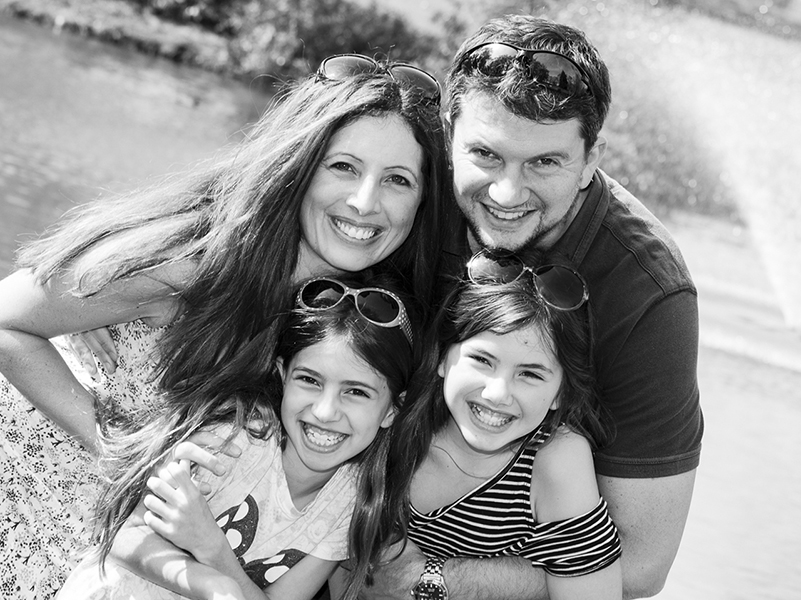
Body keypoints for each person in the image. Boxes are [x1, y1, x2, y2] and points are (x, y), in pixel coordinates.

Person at [0, 54, 448, 599]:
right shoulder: (192, 262)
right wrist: (123, 449)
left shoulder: (365, 314)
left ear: (421, 202)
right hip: (40, 494)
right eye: (343, 167)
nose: (364, 202)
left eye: (397, 180)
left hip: (150, 540)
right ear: (299, 164)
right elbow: (7, 319)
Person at [362, 14, 703, 600]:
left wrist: (425, 582)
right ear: (448, 134)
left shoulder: (647, 293)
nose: (506, 194)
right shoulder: (399, 184)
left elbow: (642, 569)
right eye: (487, 156)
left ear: (592, 157)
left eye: (545, 162)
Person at [56, 274, 419, 600]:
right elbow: (125, 538)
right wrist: (213, 585)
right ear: (282, 376)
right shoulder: (236, 438)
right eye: (309, 380)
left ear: (392, 410)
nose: (325, 411)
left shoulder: (348, 500)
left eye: (355, 392)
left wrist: (214, 552)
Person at [377, 254, 623, 600]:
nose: (497, 393)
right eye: (482, 360)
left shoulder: (554, 459)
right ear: (444, 357)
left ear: (560, 393)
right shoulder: (395, 425)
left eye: (530, 374)